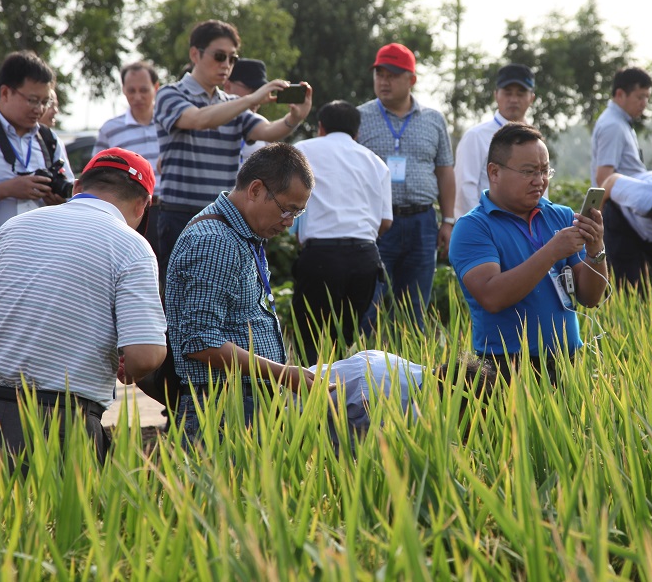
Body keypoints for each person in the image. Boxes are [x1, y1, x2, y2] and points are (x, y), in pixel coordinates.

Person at [0, 148, 167, 491]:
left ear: (78, 185)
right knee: (57, 541)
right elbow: (145, 356)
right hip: (62, 423)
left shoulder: (12, 228)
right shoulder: (131, 246)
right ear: (144, 205)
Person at [165, 143, 324, 442]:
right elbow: (200, 341)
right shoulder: (216, 241)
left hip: (241, 400)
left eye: (298, 212)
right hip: (222, 406)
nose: (290, 222)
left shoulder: (239, 233)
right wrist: (281, 373)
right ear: (255, 190)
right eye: (287, 209)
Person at [449, 123, 607, 383]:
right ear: (494, 172)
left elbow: (589, 297)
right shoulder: (473, 227)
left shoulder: (561, 216)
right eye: (528, 172)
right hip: (504, 367)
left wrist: (595, 249)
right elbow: (492, 296)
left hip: (567, 361)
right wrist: (551, 252)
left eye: (545, 171)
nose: (540, 181)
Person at [154, 20, 312, 277]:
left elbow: (268, 132)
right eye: (219, 56)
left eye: (232, 58)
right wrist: (250, 99)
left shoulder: (233, 104)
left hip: (222, 215)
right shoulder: (170, 94)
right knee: (178, 294)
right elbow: (198, 119)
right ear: (195, 53)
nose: (226, 65)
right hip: (180, 213)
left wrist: (294, 118)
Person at [357, 43, 454, 331]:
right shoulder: (359, 117)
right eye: (380, 74)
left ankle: (410, 370)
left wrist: (447, 220)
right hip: (375, 222)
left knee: (415, 308)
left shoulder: (434, 120)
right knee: (369, 302)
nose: (384, 81)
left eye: (392, 75)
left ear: (411, 80)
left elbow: (445, 172)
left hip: (423, 221)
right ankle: (364, 369)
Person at [292, 100, 391, 364]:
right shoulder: (376, 162)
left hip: (320, 257)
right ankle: (339, 399)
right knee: (345, 339)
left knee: (308, 338)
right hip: (364, 259)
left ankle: (308, 400)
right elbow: (386, 222)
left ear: (320, 127)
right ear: (356, 133)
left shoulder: (302, 150)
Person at [0, 51, 74, 259]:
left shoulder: (49, 140)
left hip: (41, 251)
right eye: (33, 100)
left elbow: (71, 192)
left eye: (45, 102)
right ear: (6, 92)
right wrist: (5, 190)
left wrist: (59, 200)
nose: (39, 109)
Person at [309, 351, 495, 448]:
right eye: (468, 421)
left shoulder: (425, 379)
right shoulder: (377, 395)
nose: (468, 430)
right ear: (450, 397)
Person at [95, 61, 162, 256]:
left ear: (156, 87)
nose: (137, 96)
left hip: (169, 211)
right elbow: (98, 175)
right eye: (131, 91)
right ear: (123, 90)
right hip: (130, 214)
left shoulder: (171, 124)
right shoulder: (110, 129)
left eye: (143, 90)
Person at [454, 63, 536, 219]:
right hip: (486, 229)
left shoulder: (536, 141)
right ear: (496, 94)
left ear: (532, 97)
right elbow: (465, 189)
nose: (513, 99)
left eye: (520, 93)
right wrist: (480, 228)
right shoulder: (476, 136)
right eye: (507, 92)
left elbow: (541, 192)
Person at [590, 67, 652, 187]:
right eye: (640, 97)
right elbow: (604, 180)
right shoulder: (613, 125)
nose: (644, 104)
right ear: (620, 94)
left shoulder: (621, 123)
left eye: (647, 97)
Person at [223, 58, 271, 162]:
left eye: (261, 92)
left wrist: (295, 117)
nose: (257, 97)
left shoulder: (263, 126)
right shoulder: (210, 120)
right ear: (227, 86)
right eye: (252, 90)